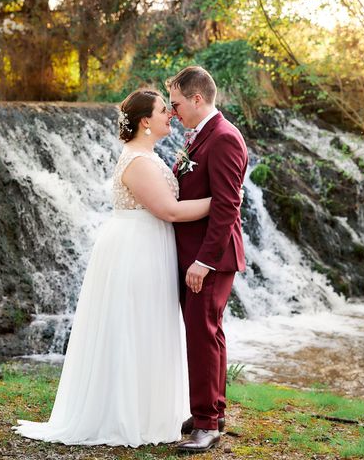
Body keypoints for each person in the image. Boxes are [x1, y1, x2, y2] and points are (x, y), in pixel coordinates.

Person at [12, 88, 214, 447]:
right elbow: (169, 210)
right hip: (137, 249)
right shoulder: (137, 162)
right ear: (144, 122)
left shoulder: (146, 155)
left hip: (148, 244)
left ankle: (148, 409)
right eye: (162, 109)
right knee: (133, 326)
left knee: (146, 325)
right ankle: (126, 415)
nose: (170, 113)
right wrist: (220, 202)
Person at [167, 66, 248, 453]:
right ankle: (211, 411)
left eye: (177, 103)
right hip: (196, 256)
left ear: (197, 99)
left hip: (209, 259)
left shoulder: (224, 138)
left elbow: (228, 206)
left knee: (203, 335)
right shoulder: (200, 136)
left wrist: (204, 262)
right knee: (208, 333)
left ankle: (206, 424)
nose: (173, 110)